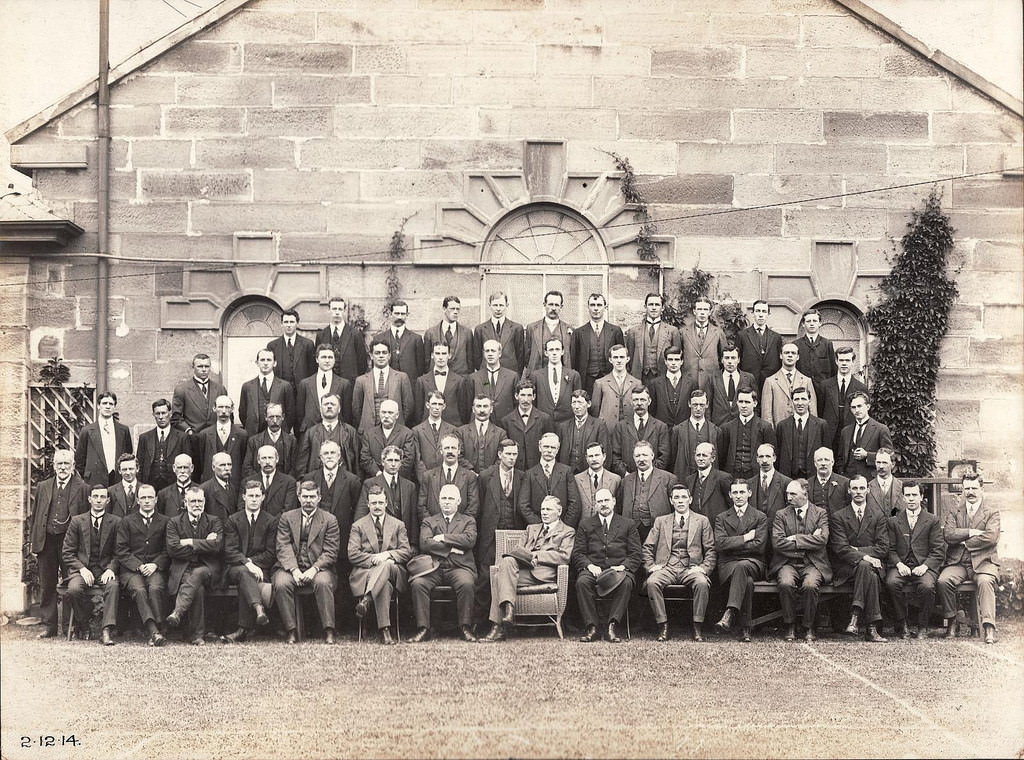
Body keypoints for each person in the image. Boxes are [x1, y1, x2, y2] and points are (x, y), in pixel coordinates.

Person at [481, 494, 575, 642]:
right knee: (508, 561)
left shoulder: (567, 531)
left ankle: (498, 627)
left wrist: (535, 555)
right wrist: (526, 558)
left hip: (543, 573)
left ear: (559, 511)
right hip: (524, 569)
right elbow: (518, 549)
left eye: (548, 509)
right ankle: (508, 612)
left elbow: (564, 556)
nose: (544, 512)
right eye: (543, 509)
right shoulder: (531, 528)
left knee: (498, 577)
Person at [643, 483, 716, 642]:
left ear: (690, 499)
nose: (680, 501)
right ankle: (663, 625)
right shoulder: (661, 521)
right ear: (671, 501)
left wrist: (703, 568)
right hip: (667, 567)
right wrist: (651, 566)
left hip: (691, 568)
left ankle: (697, 627)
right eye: (676, 497)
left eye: (684, 497)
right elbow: (647, 546)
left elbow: (710, 549)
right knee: (652, 582)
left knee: (702, 583)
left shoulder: (702, 521)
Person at [408, 484, 479, 642]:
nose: (447, 502)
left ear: (458, 501)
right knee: (418, 583)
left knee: (467, 584)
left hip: (459, 567)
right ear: (439, 501)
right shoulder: (429, 521)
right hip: (434, 568)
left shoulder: (468, 521)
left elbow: (469, 540)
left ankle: (465, 627)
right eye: (444, 498)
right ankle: (423, 628)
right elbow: (425, 543)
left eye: (451, 498)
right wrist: (452, 549)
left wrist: (443, 538)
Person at [30, 449, 89, 638]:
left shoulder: (83, 488)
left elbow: (86, 519)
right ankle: (50, 626)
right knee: (47, 584)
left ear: (73, 466)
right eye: (59, 464)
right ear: (54, 466)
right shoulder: (43, 486)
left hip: (70, 543)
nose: (63, 467)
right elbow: (35, 515)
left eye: (66, 464)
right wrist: (34, 542)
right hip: (46, 540)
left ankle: (70, 626)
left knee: (71, 583)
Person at [572, 488, 642, 643]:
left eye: (606, 500)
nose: (603, 504)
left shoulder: (628, 524)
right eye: (600, 501)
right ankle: (592, 627)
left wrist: (622, 567)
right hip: (594, 569)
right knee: (582, 582)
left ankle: (612, 625)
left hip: (619, 569)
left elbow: (636, 554)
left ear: (614, 501)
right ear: (595, 504)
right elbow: (578, 553)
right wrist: (589, 566)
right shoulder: (585, 524)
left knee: (627, 583)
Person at [274, 481, 341, 644]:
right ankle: (291, 630)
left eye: (312, 497)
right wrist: (294, 570)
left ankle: (329, 630)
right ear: (298, 497)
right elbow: (283, 545)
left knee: (323, 582)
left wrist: (314, 569)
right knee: (281, 583)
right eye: (305, 497)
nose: (308, 501)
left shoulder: (329, 520)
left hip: (320, 568)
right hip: (291, 567)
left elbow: (331, 551)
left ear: (319, 498)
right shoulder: (287, 518)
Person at [938, 472, 1000, 644]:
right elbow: (949, 535)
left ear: (981, 489)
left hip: (984, 562)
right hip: (958, 561)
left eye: (974, 488)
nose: (970, 492)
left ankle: (988, 627)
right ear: (963, 490)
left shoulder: (991, 512)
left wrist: (966, 542)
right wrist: (971, 532)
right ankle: (952, 622)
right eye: (967, 489)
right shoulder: (955, 511)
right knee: (944, 581)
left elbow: (991, 537)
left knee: (986, 581)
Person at [348, 485, 412, 645]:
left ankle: (367, 600)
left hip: (394, 572)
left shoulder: (398, 525)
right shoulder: (358, 526)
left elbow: (406, 551)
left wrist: (387, 555)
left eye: (380, 502)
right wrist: (374, 559)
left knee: (386, 565)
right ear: (368, 504)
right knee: (384, 585)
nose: (377, 506)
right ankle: (385, 631)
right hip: (367, 573)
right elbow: (353, 554)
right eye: (373, 503)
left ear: (386, 503)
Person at [771, 479, 831, 642]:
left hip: (813, 563)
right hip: (788, 563)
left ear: (805, 494)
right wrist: (810, 539)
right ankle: (790, 624)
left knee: (810, 586)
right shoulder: (781, 514)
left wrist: (795, 539)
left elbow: (823, 540)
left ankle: (808, 626)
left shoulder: (820, 513)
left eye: (793, 494)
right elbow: (777, 543)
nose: (788, 497)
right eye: (787, 494)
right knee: (785, 583)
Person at [829, 475, 888, 642]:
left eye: (862, 488)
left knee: (866, 569)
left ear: (868, 490)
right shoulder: (839, 516)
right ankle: (871, 629)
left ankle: (855, 617)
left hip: (871, 566)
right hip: (847, 567)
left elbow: (883, 547)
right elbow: (841, 548)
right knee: (867, 571)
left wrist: (859, 552)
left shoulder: (878, 515)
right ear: (849, 491)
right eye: (854, 488)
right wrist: (867, 557)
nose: (858, 492)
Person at [62, 484, 122, 645]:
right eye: (95, 496)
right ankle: (83, 623)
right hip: (82, 570)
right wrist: (82, 569)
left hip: (104, 570)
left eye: (102, 497)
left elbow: (120, 552)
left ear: (107, 500)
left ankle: (106, 630)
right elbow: (67, 552)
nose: (98, 500)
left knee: (113, 586)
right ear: (89, 499)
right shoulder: (77, 521)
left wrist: (111, 568)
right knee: (73, 590)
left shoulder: (116, 522)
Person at [220, 479, 277, 644]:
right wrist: (247, 563)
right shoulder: (233, 520)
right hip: (235, 569)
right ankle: (259, 609)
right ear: (243, 497)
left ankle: (242, 630)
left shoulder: (271, 521)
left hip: (260, 570)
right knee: (245, 573)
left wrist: (252, 563)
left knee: (248, 577)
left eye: (257, 496)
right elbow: (229, 551)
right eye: (250, 495)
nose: (254, 499)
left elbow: (271, 553)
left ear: (263, 497)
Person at [165, 486, 224, 645]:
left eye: (200, 501)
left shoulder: (214, 521)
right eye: (193, 501)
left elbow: (217, 547)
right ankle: (197, 635)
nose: (197, 504)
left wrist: (190, 542)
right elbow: (173, 549)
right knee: (197, 588)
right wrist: (205, 545)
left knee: (197, 575)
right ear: (185, 502)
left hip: (208, 568)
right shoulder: (174, 522)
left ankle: (178, 612)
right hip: (183, 568)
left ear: (204, 502)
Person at [475, 440, 526, 621]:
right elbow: (479, 508)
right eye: (508, 454)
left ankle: (510, 620)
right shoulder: (485, 476)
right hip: (491, 536)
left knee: (510, 576)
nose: (512, 458)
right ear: (499, 454)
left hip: (515, 535)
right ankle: (481, 622)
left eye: (514, 454)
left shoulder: (522, 476)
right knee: (484, 577)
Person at [886, 481, 944, 638]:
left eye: (914, 495)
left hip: (923, 566)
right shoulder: (893, 521)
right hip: (901, 565)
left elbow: (938, 550)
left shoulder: (932, 520)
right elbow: (889, 549)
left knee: (927, 586)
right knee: (892, 583)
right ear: (903, 498)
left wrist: (925, 566)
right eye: (908, 495)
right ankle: (902, 624)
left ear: (921, 497)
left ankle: (922, 626)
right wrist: (898, 564)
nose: (911, 499)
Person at [714, 480, 768, 643]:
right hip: (728, 565)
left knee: (743, 566)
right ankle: (746, 629)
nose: (738, 496)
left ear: (749, 493)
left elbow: (759, 546)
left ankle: (730, 612)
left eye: (742, 492)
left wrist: (733, 543)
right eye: (735, 493)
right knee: (748, 582)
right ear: (730, 495)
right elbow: (720, 544)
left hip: (754, 562)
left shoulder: (760, 517)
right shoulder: (722, 517)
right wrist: (745, 538)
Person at [115, 483, 169, 646]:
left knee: (155, 588)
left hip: (155, 568)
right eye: (143, 498)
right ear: (137, 500)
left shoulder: (165, 521)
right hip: (132, 570)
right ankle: (154, 630)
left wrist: (155, 565)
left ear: (156, 500)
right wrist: (138, 565)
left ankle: (156, 628)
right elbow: (121, 550)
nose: (146, 501)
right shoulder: (127, 521)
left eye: (150, 497)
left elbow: (168, 550)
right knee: (138, 590)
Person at [355, 444, 419, 552]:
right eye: (390, 460)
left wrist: (413, 544)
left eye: (396, 460)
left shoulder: (410, 486)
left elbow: (413, 517)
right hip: (378, 543)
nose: (393, 464)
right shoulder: (370, 483)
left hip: (401, 543)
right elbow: (360, 515)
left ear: (401, 463)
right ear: (382, 462)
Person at [302, 441, 360, 545]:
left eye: (332, 453)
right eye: (326, 453)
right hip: (315, 538)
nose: (329, 456)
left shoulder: (352, 480)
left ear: (339, 456)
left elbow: (357, 510)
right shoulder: (309, 478)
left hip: (342, 538)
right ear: (320, 457)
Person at [518, 432, 581, 527]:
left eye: (553, 448)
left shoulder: (566, 472)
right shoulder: (530, 474)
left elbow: (575, 503)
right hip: (538, 530)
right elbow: (523, 505)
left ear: (558, 449)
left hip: (562, 530)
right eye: (546, 447)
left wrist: (563, 527)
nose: (549, 450)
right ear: (540, 447)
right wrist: (540, 526)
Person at [620, 440, 677, 543]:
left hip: (658, 531)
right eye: (637, 456)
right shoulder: (625, 481)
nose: (641, 459)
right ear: (633, 457)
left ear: (652, 456)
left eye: (645, 455)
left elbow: (675, 509)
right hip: (632, 533)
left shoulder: (668, 479)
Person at [352, 340, 415, 432]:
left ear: (389, 356)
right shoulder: (361, 380)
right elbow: (356, 409)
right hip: (369, 432)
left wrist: (397, 423)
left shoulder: (402, 378)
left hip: (395, 430)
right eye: (377, 353)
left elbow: (408, 407)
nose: (381, 356)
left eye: (384, 353)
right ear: (371, 356)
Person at [570, 292, 624, 395]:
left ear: (605, 307)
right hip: (586, 381)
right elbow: (573, 361)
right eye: (592, 305)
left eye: (599, 305)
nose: (596, 308)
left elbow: (622, 357)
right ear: (588, 307)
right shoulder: (578, 333)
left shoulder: (615, 331)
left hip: (610, 379)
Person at [75, 391, 133, 487]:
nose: (107, 406)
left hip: (117, 480)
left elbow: (128, 454)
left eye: (111, 404)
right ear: (98, 406)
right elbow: (79, 460)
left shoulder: (123, 430)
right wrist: (88, 476)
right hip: (94, 480)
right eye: (104, 403)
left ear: (114, 407)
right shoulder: (87, 431)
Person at [294, 394, 360, 477]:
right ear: (321, 409)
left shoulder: (350, 432)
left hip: (344, 482)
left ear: (339, 409)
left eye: (332, 404)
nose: (329, 406)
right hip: (317, 481)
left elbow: (357, 462)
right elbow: (302, 463)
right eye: (326, 404)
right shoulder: (311, 432)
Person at [610, 385, 670, 476]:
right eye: (635, 400)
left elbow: (664, 457)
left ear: (649, 401)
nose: (639, 403)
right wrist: (626, 474)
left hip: (653, 478)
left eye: (642, 400)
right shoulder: (620, 427)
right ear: (631, 402)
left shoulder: (660, 427)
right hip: (627, 478)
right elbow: (615, 456)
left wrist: (649, 474)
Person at [295, 344, 353, 435]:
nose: (327, 361)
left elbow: (347, 414)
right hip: (310, 433)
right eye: (323, 357)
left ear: (334, 360)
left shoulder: (344, 384)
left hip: (335, 433)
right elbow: (299, 413)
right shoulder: (305, 384)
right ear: (317, 359)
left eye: (330, 357)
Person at [418, 434, 479, 519]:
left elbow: (473, 507)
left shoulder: (470, 477)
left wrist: (460, 526)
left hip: (461, 530)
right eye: (447, 448)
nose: (450, 451)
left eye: (453, 448)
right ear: (441, 451)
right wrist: (433, 525)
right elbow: (422, 507)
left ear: (458, 451)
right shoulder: (428, 476)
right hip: (434, 529)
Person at [718, 389, 775, 479]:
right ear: (737, 403)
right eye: (741, 402)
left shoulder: (765, 427)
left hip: (755, 475)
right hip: (732, 475)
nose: (743, 406)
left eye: (747, 402)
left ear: (755, 403)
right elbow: (722, 457)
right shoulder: (727, 428)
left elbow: (771, 455)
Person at [499, 379, 554, 472]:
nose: (525, 399)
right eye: (522, 395)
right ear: (516, 396)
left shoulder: (544, 419)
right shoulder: (506, 421)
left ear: (534, 397)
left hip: (537, 469)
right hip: (515, 470)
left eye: (529, 395)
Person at [238, 348, 295, 436]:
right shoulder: (247, 386)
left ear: (275, 363)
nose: (265, 363)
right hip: (254, 436)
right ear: (257, 363)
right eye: (262, 360)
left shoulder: (285, 386)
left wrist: (283, 430)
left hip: (277, 434)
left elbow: (290, 413)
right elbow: (243, 413)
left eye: (269, 360)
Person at [625, 292, 681, 382]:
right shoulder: (633, 332)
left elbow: (677, 358)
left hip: (663, 379)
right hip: (640, 379)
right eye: (650, 304)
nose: (654, 308)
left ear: (662, 308)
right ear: (645, 307)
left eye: (657, 305)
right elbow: (629, 359)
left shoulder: (672, 331)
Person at [136, 398, 189, 493]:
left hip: (173, 486)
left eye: (163, 413)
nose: (161, 417)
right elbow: (139, 466)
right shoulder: (145, 438)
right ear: (153, 415)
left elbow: (188, 465)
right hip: (150, 486)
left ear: (170, 413)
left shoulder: (182, 437)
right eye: (157, 413)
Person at [820, 346, 867, 450]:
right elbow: (820, 410)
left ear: (853, 362)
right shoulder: (825, 385)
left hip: (851, 436)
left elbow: (864, 415)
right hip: (829, 436)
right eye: (841, 360)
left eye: (847, 360)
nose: (844, 363)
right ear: (836, 361)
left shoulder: (861, 387)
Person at [775, 386, 827, 479]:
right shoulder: (782, 426)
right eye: (796, 399)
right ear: (792, 402)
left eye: (803, 399)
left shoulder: (821, 425)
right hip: (788, 477)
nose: (800, 403)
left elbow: (827, 452)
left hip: (813, 476)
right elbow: (778, 454)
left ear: (809, 401)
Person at [194, 395, 248, 487]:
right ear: (214, 408)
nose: (223, 411)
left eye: (227, 407)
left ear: (232, 409)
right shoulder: (204, 434)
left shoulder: (242, 435)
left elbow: (244, 461)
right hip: (210, 486)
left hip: (235, 485)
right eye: (220, 407)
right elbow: (200, 462)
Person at [358, 398, 417, 481]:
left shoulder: (407, 434)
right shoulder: (369, 434)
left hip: (399, 480)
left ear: (397, 415)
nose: (386, 416)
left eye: (390, 413)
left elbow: (408, 460)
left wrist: (392, 475)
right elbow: (365, 458)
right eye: (383, 412)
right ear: (379, 413)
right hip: (375, 478)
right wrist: (378, 473)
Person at [838, 392, 893, 480]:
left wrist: (867, 455)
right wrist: (841, 475)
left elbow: (890, 456)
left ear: (868, 407)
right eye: (853, 407)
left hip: (870, 479)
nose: (857, 410)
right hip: (848, 479)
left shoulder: (881, 429)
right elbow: (840, 458)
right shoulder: (845, 431)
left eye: (859, 406)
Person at [760, 343, 818, 427]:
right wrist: (770, 435)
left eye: (793, 353)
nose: (790, 355)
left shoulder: (806, 381)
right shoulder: (770, 381)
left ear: (797, 357)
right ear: (781, 356)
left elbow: (813, 411)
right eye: (787, 353)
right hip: (779, 431)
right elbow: (766, 414)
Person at [414, 342, 470, 427]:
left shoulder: (459, 381)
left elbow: (463, 410)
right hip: (428, 428)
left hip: (453, 427)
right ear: (432, 355)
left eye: (444, 354)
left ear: (449, 355)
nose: (440, 357)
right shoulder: (421, 381)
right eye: (437, 353)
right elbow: (418, 411)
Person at [171, 353, 227, 438]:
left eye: (207, 366)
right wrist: (188, 431)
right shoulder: (182, 389)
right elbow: (176, 418)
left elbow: (228, 413)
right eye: (200, 366)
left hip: (216, 437)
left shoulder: (220, 389)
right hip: (193, 438)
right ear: (193, 367)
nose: (204, 369)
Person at [669, 389, 719, 482]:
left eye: (702, 405)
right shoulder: (678, 430)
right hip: (684, 478)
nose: (698, 408)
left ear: (707, 405)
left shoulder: (715, 430)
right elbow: (672, 458)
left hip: (708, 480)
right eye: (695, 404)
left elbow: (719, 457)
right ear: (689, 404)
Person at [315, 295, 368, 383]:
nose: (337, 312)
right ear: (329, 310)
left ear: (344, 311)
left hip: (349, 384)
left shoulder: (355, 334)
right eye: (334, 309)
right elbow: (317, 362)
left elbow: (362, 363)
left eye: (340, 309)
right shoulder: (321, 335)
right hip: (327, 383)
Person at [556, 389, 609, 474]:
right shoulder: (563, 427)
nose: (576, 406)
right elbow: (557, 455)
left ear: (588, 404)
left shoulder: (599, 425)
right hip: (567, 473)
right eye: (574, 403)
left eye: (580, 402)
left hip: (589, 473)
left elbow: (606, 454)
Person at [530, 337, 581, 424]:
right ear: (546, 353)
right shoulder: (536, 376)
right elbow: (533, 402)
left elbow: (578, 401)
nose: (554, 353)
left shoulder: (573, 375)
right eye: (551, 350)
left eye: (557, 349)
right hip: (543, 422)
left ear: (562, 352)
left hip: (567, 422)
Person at [410, 390, 458, 482]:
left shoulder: (452, 430)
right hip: (425, 479)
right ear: (428, 405)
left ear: (444, 406)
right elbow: (417, 459)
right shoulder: (417, 430)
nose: (436, 407)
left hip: (446, 478)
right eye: (434, 404)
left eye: (439, 404)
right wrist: (424, 479)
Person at [473, 291, 526, 373]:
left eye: (501, 305)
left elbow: (520, 356)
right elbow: (477, 357)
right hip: (487, 374)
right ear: (489, 305)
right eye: (495, 305)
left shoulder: (517, 328)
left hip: (510, 374)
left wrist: (515, 375)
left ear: (507, 305)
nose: (498, 309)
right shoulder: (480, 329)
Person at [736, 299, 782, 394]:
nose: (761, 314)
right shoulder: (742, 335)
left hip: (770, 381)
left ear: (768, 314)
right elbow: (738, 361)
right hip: (748, 383)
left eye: (764, 311)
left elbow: (780, 361)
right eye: (758, 311)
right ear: (753, 313)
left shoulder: (776, 337)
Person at [590, 343, 643, 426]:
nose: (619, 361)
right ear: (610, 360)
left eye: (622, 357)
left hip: (629, 428)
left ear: (627, 359)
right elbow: (595, 410)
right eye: (615, 357)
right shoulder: (600, 383)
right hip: (607, 428)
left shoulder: (636, 383)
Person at [680, 296, 728, 387]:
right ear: (694, 311)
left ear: (710, 312)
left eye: (705, 309)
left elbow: (724, 357)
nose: (702, 312)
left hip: (711, 381)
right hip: (688, 380)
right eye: (699, 309)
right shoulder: (683, 332)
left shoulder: (718, 333)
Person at [371, 300, 426, 379]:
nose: (400, 317)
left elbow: (420, 368)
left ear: (407, 315)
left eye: (403, 314)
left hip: (409, 385)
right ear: (390, 314)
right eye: (397, 313)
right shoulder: (379, 338)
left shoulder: (416, 339)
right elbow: (375, 367)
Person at [240, 402, 296, 479]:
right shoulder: (254, 441)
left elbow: (295, 467)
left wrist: (285, 483)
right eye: (271, 417)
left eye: (278, 417)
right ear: (265, 417)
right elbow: (247, 467)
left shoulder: (291, 441)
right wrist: (259, 482)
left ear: (283, 417)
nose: (275, 421)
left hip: (284, 486)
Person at [704, 343, 754, 427]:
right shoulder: (712, 378)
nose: (730, 361)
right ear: (722, 360)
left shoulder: (748, 378)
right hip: (718, 425)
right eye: (727, 358)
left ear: (738, 360)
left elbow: (756, 404)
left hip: (742, 426)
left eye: (733, 358)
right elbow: (707, 405)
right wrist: (709, 426)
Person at [684, 442, 733, 527]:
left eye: (704, 455)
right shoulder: (689, 480)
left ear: (713, 458)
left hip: (717, 527)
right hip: (695, 527)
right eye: (698, 455)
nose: (701, 458)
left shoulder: (723, 478)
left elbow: (732, 506)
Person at [422, 295, 474, 375]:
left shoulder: (467, 333)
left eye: (458, 309)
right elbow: (426, 361)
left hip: (461, 380)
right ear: (444, 309)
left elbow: (470, 361)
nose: (456, 312)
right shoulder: (430, 333)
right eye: (452, 309)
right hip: (438, 379)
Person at [524, 290, 574, 374]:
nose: (553, 308)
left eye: (557, 305)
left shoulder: (569, 329)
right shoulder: (532, 328)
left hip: (560, 377)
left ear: (561, 306)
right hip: (537, 376)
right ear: (544, 305)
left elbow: (571, 357)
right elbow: (526, 356)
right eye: (550, 304)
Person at [470, 339, 519, 423]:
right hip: (481, 423)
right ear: (484, 354)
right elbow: (468, 405)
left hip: (505, 423)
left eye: (493, 351)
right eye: (487, 351)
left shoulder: (512, 376)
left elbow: (516, 403)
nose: (490, 354)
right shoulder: (474, 378)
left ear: (499, 353)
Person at [648, 346, 698, 428]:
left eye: (677, 359)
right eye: (670, 360)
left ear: (682, 361)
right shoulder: (655, 384)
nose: (673, 363)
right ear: (665, 361)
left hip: (684, 430)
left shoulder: (692, 383)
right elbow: (652, 410)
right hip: (662, 430)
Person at [794, 308, 837, 402]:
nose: (812, 323)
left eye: (815, 321)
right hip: (802, 391)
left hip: (823, 392)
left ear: (820, 323)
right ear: (803, 324)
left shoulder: (827, 344)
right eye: (808, 321)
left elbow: (834, 370)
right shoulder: (796, 345)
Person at [455, 395, 506, 474]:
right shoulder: (461, 432)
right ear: (473, 409)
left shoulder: (500, 433)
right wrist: (471, 472)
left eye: (485, 406)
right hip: (468, 477)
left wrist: (488, 474)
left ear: (491, 409)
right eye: (478, 406)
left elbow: (503, 457)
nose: (482, 410)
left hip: (492, 478)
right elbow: (457, 455)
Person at [266, 308, 317, 386]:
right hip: (280, 391)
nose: (289, 325)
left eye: (292, 322)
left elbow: (313, 371)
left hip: (301, 391)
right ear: (281, 324)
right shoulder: (272, 346)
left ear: (297, 323)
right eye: (286, 322)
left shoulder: (308, 344)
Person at [746, 443, 792, 526]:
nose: (764, 460)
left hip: (778, 530)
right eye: (761, 456)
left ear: (774, 458)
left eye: (768, 456)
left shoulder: (786, 482)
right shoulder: (749, 483)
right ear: (756, 459)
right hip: (756, 531)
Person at [574, 442, 621, 522]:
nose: (594, 459)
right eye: (591, 456)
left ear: (604, 456)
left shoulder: (615, 479)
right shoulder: (577, 479)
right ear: (586, 458)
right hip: (584, 527)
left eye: (597, 455)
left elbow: (619, 508)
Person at [248, 445, 298, 516]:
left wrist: (271, 524)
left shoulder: (289, 482)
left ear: (277, 459)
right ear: (258, 460)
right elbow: (243, 508)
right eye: (264, 458)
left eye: (270, 458)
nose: (267, 462)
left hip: (280, 525)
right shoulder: (247, 481)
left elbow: (288, 509)